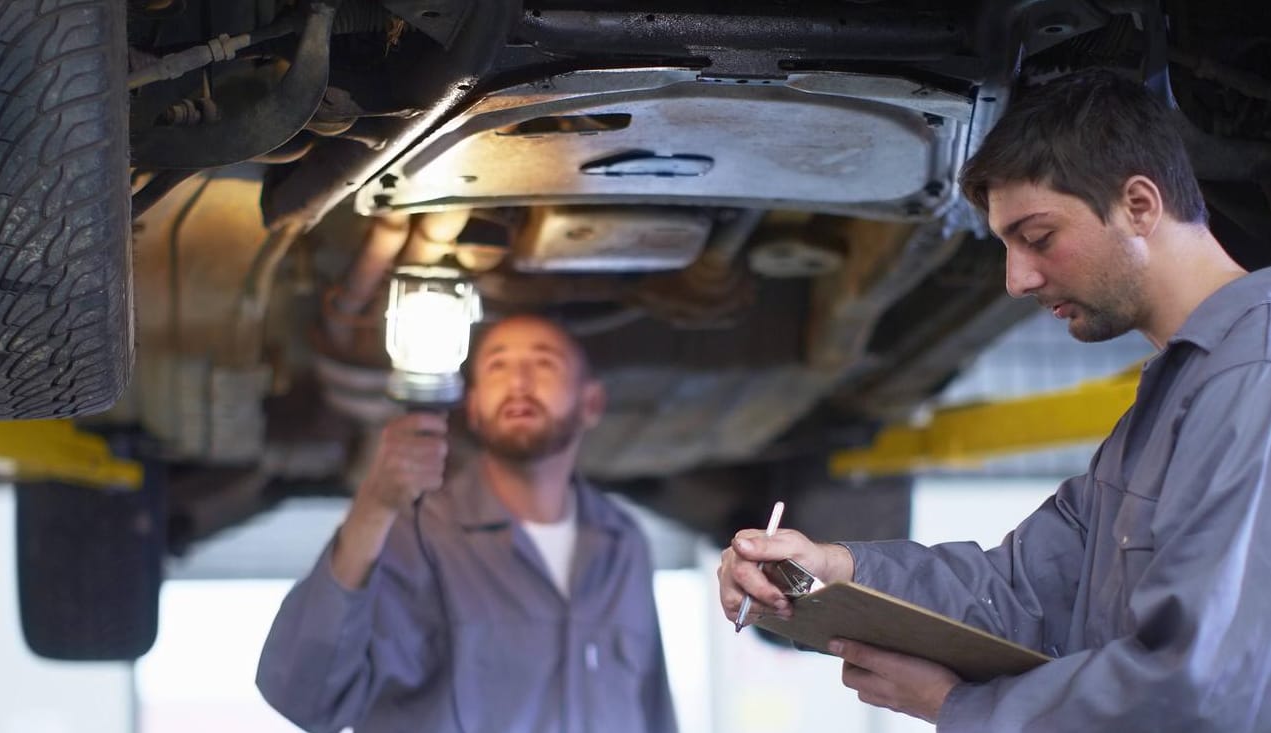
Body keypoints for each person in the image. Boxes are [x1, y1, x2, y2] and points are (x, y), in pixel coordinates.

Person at [718, 67, 1271, 731]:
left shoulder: (1253, 375)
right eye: (1007, 246)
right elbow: (1023, 591)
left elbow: (1201, 688)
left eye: (1037, 238)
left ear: (1140, 205)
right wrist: (836, 570)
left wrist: (959, 707)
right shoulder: (1165, 407)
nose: (1016, 278)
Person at [258, 314, 677, 733]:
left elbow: (654, 713)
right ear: (473, 408)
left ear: (592, 403)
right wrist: (375, 504)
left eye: (545, 363)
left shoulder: (623, 544)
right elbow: (304, 694)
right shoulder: (419, 536)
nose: (519, 383)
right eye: (498, 366)